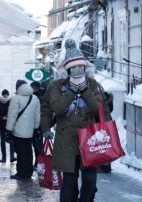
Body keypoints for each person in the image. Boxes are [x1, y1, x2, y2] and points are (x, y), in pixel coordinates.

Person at [41, 39, 112, 202]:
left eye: (80, 66)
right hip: (67, 139)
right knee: (69, 182)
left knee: (89, 180)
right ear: (67, 70)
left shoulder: (93, 85)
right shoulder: (56, 86)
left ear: (85, 67)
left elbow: (99, 109)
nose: (78, 70)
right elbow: (55, 108)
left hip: (90, 138)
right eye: (74, 67)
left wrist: (85, 90)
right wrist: (72, 90)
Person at [5, 79, 41, 180]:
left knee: (20, 152)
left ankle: (21, 173)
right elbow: (37, 116)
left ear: (18, 87)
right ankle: (28, 172)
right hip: (30, 131)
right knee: (29, 151)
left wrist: (8, 130)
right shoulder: (35, 98)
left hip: (18, 132)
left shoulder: (16, 98)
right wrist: (36, 128)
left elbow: (12, 116)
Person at [0, 89, 16, 163]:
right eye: (4, 94)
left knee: (11, 140)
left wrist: (9, 117)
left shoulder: (11, 101)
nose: (5, 95)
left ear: (8, 95)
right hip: (2, 124)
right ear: (2, 95)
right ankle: (4, 157)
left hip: (9, 124)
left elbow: (13, 111)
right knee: (2, 141)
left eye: (6, 94)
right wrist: (2, 118)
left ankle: (12, 157)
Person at [30, 81, 45, 169]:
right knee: (38, 145)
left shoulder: (35, 98)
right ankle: (38, 163)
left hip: (37, 125)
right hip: (41, 125)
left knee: (37, 146)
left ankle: (38, 163)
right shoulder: (44, 96)